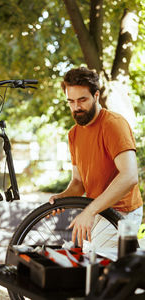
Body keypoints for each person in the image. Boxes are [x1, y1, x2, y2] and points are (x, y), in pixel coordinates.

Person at [49, 67, 143, 249]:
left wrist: (90, 211)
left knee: (96, 265)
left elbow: (130, 176)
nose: (76, 107)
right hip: (99, 208)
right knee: (92, 265)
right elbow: (78, 182)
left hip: (122, 212)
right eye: (71, 101)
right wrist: (62, 198)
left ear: (96, 95)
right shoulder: (74, 134)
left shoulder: (113, 125)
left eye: (82, 100)